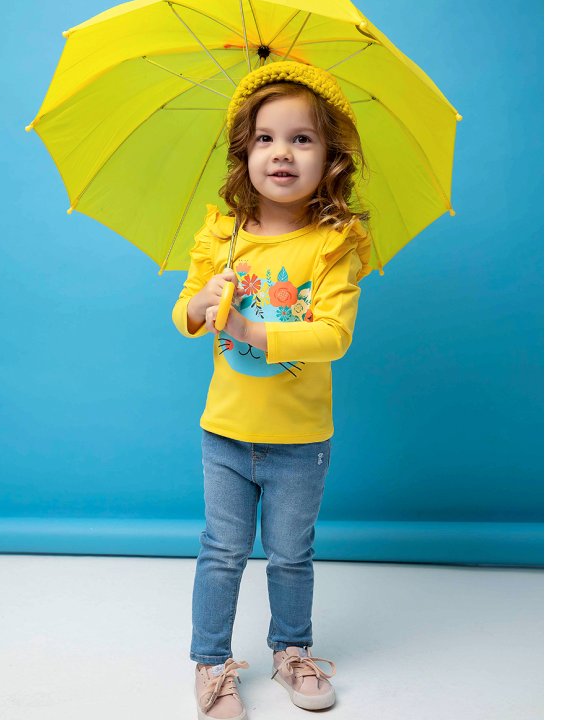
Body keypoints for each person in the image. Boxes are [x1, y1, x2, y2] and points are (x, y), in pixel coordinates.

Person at [171, 60, 373, 720]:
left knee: (290, 556)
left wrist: (251, 329)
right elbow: (184, 315)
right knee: (221, 552)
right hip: (227, 433)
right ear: (245, 152)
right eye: (266, 138)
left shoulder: (332, 245)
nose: (281, 152)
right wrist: (201, 301)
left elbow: (333, 336)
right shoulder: (222, 235)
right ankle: (211, 662)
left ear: (329, 158)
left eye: (301, 138)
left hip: (299, 441)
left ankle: (292, 650)